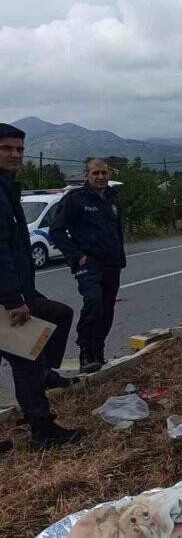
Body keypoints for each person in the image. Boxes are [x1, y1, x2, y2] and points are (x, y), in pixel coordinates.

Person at [0, 123, 85, 450]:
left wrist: (28, 293)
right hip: (6, 298)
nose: (15, 154)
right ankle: (43, 433)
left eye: (19, 149)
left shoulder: (7, 187)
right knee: (26, 361)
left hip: (17, 291)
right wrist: (12, 299)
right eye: (7, 148)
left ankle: (46, 374)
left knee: (58, 315)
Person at [51, 158, 126, 374]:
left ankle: (98, 349)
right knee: (93, 301)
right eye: (96, 173)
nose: (100, 177)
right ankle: (85, 351)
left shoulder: (113, 197)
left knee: (107, 307)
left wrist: (120, 256)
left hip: (112, 262)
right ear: (87, 175)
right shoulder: (75, 198)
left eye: (104, 173)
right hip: (89, 263)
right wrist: (77, 256)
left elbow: (117, 229)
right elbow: (56, 230)